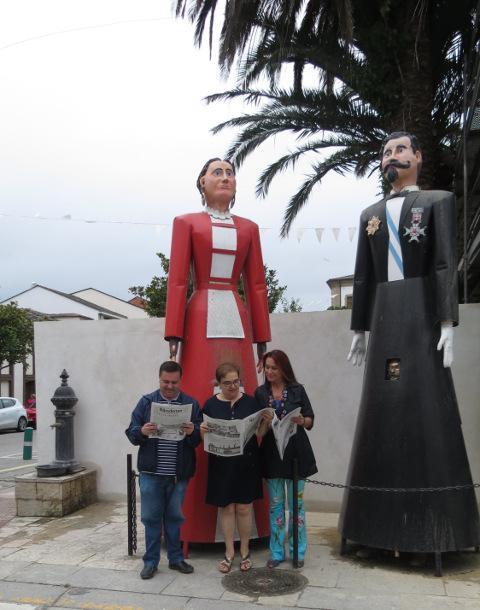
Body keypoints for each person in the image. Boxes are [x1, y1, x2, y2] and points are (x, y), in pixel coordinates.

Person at [340, 131, 480, 562]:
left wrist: (447, 320)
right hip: (384, 313)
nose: (392, 157)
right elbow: (363, 274)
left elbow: (442, 263)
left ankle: (431, 532)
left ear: (418, 156)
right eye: (385, 151)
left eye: (400, 150)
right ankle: (370, 526)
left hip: (420, 311)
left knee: (425, 413)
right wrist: (360, 327)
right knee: (378, 417)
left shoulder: (437, 202)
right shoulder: (371, 214)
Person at [164, 157, 271, 545]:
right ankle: (191, 526)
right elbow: (177, 279)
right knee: (200, 400)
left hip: (237, 314)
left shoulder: (249, 229)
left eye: (230, 173)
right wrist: (173, 334)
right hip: (200, 312)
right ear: (201, 183)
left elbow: (256, 283)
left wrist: (263, 339)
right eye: (217, 172)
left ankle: (250, 523)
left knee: (242, 401)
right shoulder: (186, 223)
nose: (225, 177)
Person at [125, 361, 202, 579]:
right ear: (159, 379)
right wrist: (142, 431)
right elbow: (131, 432)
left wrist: (192, 432)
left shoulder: (191, 404)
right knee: (150, 518)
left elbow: (199, 438)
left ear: (180, 380)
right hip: (151, 473)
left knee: (175, 517)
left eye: (174, 382)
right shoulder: (147, 402)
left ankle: (176, 559)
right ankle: (150, 562)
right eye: (165, 382)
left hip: (178, 475)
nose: (169, 386)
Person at [200, 362, 269, 573]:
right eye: (227, 383)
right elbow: (205, 439)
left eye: (236, 382)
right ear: (219, 384)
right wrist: (204, 431)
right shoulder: (210, 405)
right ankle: (229, 551)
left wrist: (266, 421)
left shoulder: (250, 402)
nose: (232, 386)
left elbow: (260, 434)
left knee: (244, 508)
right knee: (227, 507)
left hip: (246, 462)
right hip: (222, 464)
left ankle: (245, 551)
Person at [255, 349, 317, 569]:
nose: (270, 371)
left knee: (297, 506)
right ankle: (277, 552)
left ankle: (298, 552)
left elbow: (310, 419)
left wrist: (302, 420)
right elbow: (259, 433)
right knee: (276, 506)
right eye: (267, 367)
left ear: (284, 368)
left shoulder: (297, 390)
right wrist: (265, 420)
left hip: (297, 455)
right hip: (272, 456)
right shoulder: (260, 393)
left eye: (274, 367)